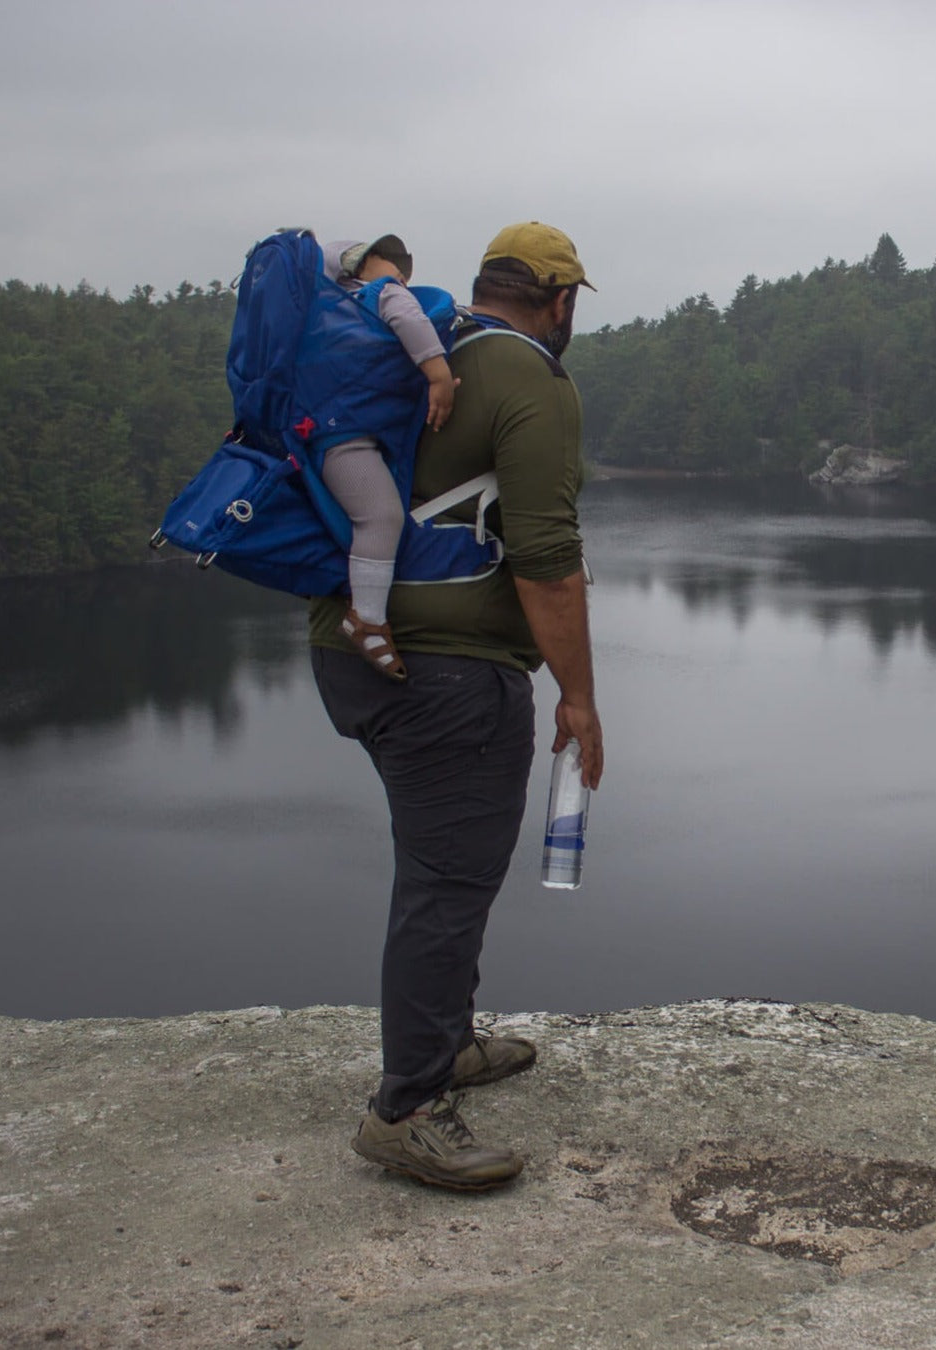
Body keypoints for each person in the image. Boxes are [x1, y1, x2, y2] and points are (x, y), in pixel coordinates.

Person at [309, 221, 604, 1190]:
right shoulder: (533, 382)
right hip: (448, 672)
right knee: (448, 879)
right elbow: (548, 561)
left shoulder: (430, 352)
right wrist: (582, 700)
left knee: (446, 866)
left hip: (358, 650)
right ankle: (408, 1110)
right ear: (560, 302)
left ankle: (447, 1043)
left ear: (483, 286)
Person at [319, 234, 458, 682]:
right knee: (380, 517)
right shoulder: (381, 296)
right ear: (356, 270)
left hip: (336, 430)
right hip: (344, 437)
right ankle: (367, 620)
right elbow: (408, 317)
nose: (398, 271)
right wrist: (438, 375)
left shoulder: (327, 315)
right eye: (384, 260)